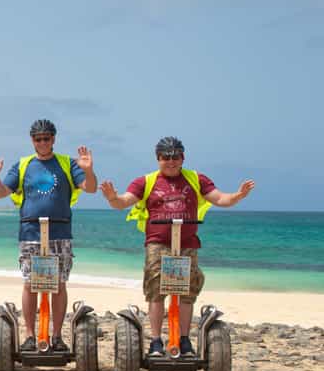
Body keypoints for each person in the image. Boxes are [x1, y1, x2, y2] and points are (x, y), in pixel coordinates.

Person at [100, 136, 255, 357]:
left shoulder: (196, 179)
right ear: (158, 159)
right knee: (156, 291)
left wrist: (238, 196)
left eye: (176, 157)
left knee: (187, 292)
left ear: (183, 158)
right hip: (158, 243)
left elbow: (220, 198)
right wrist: (112, 197)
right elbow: (123, 202)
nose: (171, 161)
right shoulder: (146, 181)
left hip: (187, 243)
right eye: (166, 157)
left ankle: (183, 340)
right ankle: (155, 342)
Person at [0, 119, 97, 351]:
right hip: (30, 232)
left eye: (47, 138)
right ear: (32, 141)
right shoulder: (23, 165)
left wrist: (88, 170)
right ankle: (29, 335)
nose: (43, 142)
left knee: (58, 284)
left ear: (53, 139)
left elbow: (91, 187)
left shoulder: (67, 163)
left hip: (60, 231)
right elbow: (0, 193)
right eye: (38, 139)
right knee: (30, 284)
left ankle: (56, 336)